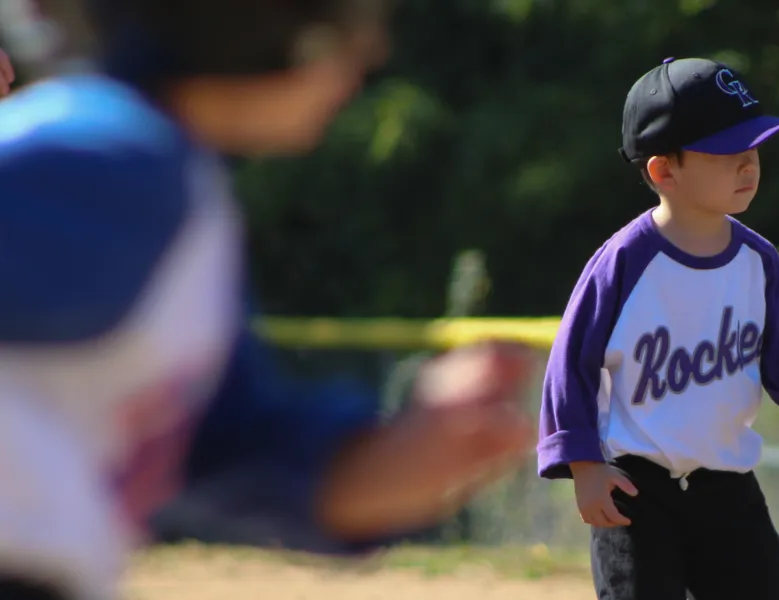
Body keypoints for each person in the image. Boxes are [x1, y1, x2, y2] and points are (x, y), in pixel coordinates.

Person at [0, 2, 535, 599]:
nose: (373, 52)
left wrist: (385, 459)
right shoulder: (111, 160)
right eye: (350, 23)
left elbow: (225, 448)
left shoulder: (167, 180)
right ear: (271, 29)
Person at [536, 56, 779, 600]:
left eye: (754, 149)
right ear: (664, 170)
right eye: (729, 153)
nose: (749, 166)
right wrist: (585, 466)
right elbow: (571, 367)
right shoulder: (623, 262)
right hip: (636, 492)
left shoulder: (759, 262)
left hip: (729, 491)